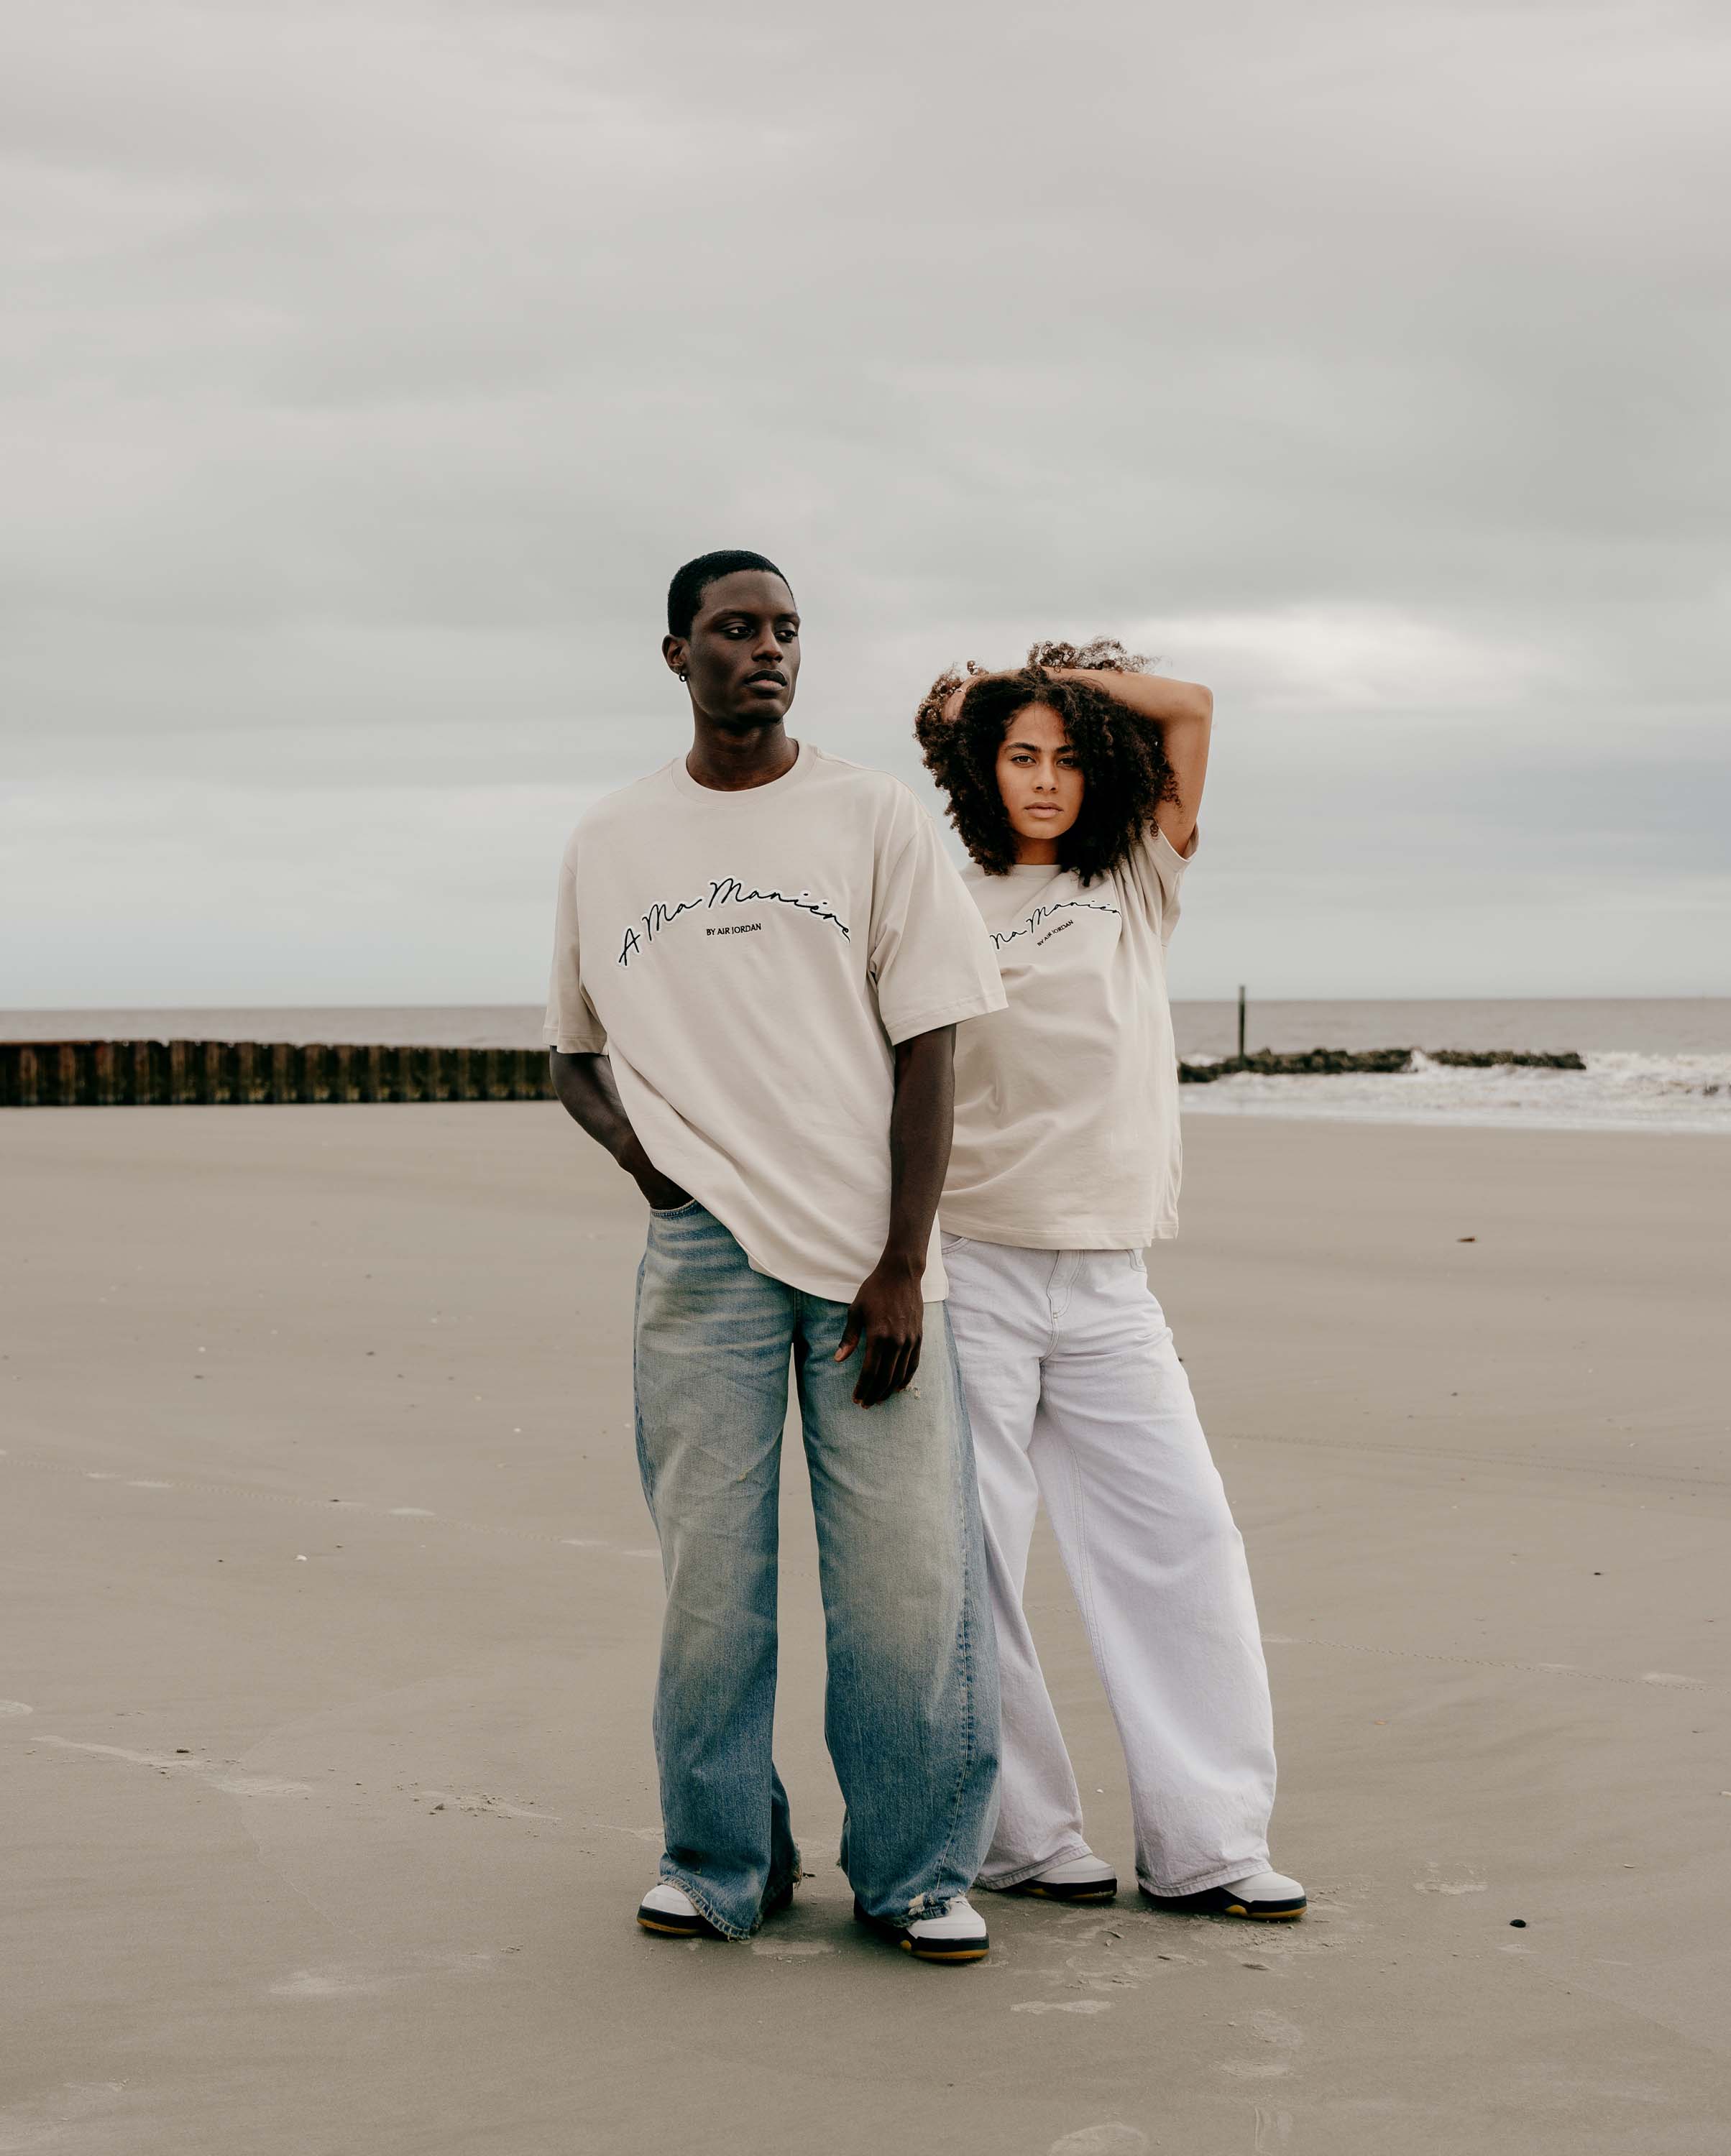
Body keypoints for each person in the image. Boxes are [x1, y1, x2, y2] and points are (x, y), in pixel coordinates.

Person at [546, 550, 1006, 1963]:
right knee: (712, 1586)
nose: (768, 651)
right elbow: (570, 1056)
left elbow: (932, 1046)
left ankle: (917, 1874)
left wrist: (905, 1260)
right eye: (737, 629)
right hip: (704, 1264)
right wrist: (653, 1171)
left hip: (869, 1265)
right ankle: (717, 1864)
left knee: (907, 1584)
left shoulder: (871, 815)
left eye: (787, 630)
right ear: (676, 653)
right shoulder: (613, 836)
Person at [912, 639, 1304, 1922]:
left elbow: (1190, 705)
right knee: (975, 1563)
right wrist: (981, 710)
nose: (1045, 779)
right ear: (982, 770)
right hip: (972, 1263)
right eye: (1020, 756)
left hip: (1109, 1281)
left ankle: (1209, 1846)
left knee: (1184, 1539)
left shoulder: (1136, 876)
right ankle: (1021, 1838)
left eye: (1070, 758)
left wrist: (1031, 682)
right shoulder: (941, 898)